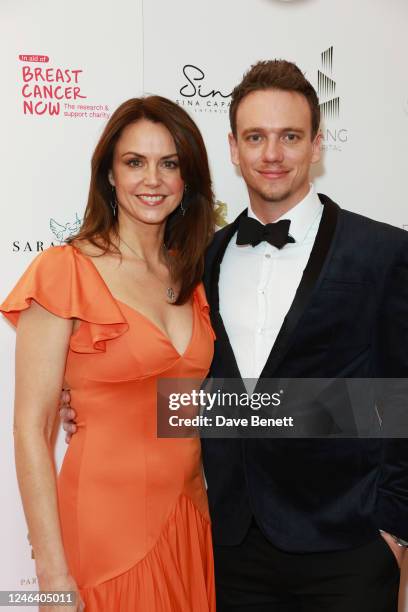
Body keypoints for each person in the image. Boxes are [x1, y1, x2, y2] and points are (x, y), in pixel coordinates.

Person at [62, 61, 408, 611]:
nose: (272, 154)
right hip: (226, 547)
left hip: (347, 548)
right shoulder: (197, 261)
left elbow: (396, 397)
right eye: (256, 137)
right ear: (233, 147)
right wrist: (97, 401)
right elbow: (203, 392)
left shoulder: (385, 253)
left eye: (289, 136)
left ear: (317, 146)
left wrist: (393, 529)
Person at [1, 96, 216, 611]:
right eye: (134, 162)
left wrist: (356, 413)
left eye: (169, 163)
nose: (153, 180)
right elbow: (32, 427)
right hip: (104, 533)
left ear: (187, 178)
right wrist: (51, 574)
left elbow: (189, 402)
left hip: (190, 522)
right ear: (110, 175)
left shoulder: (192, 273)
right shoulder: (66, 269)